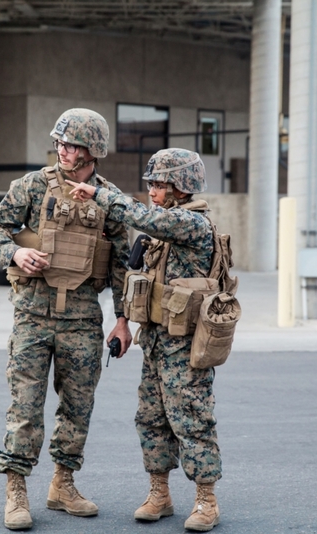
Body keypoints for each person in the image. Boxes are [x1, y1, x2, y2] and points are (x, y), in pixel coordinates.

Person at [0, 108, 133, 531]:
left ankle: (63, 484)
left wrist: (122, 320)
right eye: (61, 142)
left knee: (78, 407)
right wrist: (15, 252)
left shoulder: (109, 199)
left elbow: (123, 265)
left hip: (83, 319)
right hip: (32, 314)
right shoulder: (31, 186)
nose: (63, 150)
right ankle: (16, 490)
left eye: (73, 144)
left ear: (93, 151)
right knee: (25, 407)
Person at [67, 148, 223, 532]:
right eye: (150, 184)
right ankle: (159, 494)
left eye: (159, 184)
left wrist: (99, 193)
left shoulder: (191, 224)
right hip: (155, 341)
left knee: (191, 420)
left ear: (182, 187)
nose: (152, 191)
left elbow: (140, 215)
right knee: (151, 419)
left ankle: (206, 500)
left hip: (186, 347)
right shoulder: (163, 227)